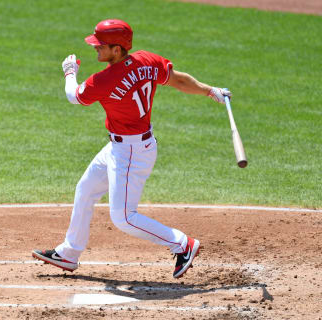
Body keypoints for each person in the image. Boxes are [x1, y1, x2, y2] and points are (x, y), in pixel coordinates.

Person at [32, 19, 231, 278]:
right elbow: (178, 80)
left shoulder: (105, 79)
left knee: (124, 217)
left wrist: (70, 72)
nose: (95, 49)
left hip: (131, 153)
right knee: (86, 188)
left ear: (117, 49)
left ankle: (183, 244)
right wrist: (209, 90)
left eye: (100, 45)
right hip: (122, 147)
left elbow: (74, 96)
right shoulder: (147, 61)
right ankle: (69, 253)